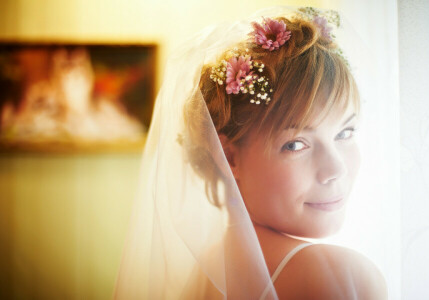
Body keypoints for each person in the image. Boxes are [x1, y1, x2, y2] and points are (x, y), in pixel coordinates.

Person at [114, 6, 387, 299]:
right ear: (229, 157)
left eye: (344, 133)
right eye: (295, 144)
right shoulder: (337, 276)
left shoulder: (205, 274)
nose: (336, 169)